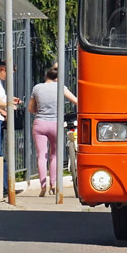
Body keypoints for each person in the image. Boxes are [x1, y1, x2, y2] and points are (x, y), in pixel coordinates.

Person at [28, 63, 78, 196]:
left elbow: (31, 108)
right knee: (54, 155)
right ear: (57, 78)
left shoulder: (37, 88)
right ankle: (53, 185)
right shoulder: (60, 87)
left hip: (40, 124)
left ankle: (43, 186)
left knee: (41, 155)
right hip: (55, 123)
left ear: (46, 76)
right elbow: (76, 101)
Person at [0, 56, 21, 195]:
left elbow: (1, 98)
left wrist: (11, 100)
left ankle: (6, 186)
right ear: (1, 70)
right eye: (7, 73)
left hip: (0, 118)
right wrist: (9, 104)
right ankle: (6, 187)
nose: (7, 77)